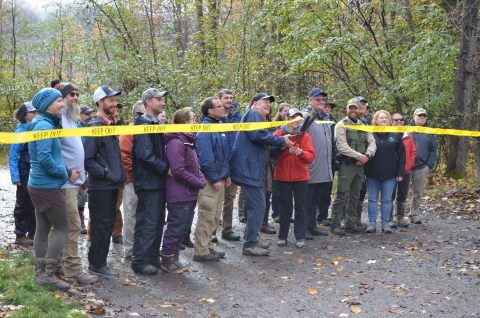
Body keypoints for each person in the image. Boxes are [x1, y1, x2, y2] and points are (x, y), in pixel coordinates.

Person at [230, 93, 294, 256]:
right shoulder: (252, 114)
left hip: (255, 169)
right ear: (255, 104)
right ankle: (250, 244)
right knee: (258, 206)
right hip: (249, 169)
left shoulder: (260, 120)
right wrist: (280, 141)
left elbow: (265, 147)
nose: (268, 104)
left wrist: (281, 146)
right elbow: (257, 136)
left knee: (257, 206)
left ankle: (252, 240)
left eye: (269, 102)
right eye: (264, 101)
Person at [52, 82, 98, 284]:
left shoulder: (71, 118)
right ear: (61, 99)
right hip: (65, 183)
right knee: (72, 227)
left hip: (75, 183)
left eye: (77, 94)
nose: (76, 97)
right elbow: (50, 154)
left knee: (60, 227)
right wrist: (67, 173)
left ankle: (53, 266)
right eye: (71, 94)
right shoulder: (57, 122)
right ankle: (73, 271)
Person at [27, 88, 71, 290]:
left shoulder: (41, 123)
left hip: (38, 184)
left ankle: (41, 272)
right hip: (46, 185)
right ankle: (47, 274)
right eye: (60, 101)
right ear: (47, 105)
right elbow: (44, 158)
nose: (63, 104)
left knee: (43, 228)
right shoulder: (44, 125)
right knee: (63, 228)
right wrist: (64, 174)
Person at [84, 85, 126, 277]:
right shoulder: (95, 127)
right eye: (110, 100)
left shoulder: (110, 125)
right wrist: (107, 173)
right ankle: (97, 265)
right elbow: (87, 160)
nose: (114, 103)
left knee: (108, 224)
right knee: (101, 225)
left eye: (114, 99)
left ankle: (100, 263)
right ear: (100, 103)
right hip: (101, 186)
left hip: (112, 185)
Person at [162, 107, 206, 273]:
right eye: (193, 119)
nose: (195, 122)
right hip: (179, 193)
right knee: (176, 226)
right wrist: (198, 182)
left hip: (189, 192)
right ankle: (166, 259)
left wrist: (200, 178)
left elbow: (195, 166)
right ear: (184, 122)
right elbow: (178, 170)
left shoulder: (188, 141)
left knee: (183, 227)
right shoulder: (176, 142)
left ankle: (175, 258)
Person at [131, 89, 169, 275]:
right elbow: (145, 155)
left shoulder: (155, 123)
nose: (162, 103)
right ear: (147, 102)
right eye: (158, 99)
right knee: (147, 221)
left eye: (163, 99)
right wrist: (166, 168)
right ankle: (140, 260)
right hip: (148, 182)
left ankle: (153, 256)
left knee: (157, 222)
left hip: (158, 181)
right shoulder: (142, 124)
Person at [329, 98, 376, 235]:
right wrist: (359, 156)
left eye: (355, 108)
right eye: (351, 108)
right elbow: (342, 146)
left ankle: (351, 223)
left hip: (361, 164)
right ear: (347, 109)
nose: (353, 110)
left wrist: (366, 156)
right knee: (341, 194)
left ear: (359, 109)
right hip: (347, 163)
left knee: (355, 195)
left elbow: (372, 143)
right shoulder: (341, 125)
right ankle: (335, 224)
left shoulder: (364, 125)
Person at [193, 97, 230, 262]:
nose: (223, 108)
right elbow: (206, 159)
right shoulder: (205, 130)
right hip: (210, 181)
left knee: (215, 217)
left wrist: (226, 174)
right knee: (206, 215)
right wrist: (215, 178)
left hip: (220, 179)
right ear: (210, 111)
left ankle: (208, 246)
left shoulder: (219, 127)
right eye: (219, 106)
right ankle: (200, 251)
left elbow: (223, 155)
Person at [272, 108, 315, 248]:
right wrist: (286, 152)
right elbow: (273, 155)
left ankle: (300, 237)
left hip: (301, 178)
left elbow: (310, 157)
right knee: (285, 208)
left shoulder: (305, 136)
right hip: (282, 177)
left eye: (299, 119)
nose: (296, 121)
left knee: (301, 207)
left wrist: (301, 153)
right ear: (287, 119)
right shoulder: (278, 134)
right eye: (293, 118)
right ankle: (282, 236)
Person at [364, 110, 405, 234]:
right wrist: (364, 172)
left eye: (385, 118)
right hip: (372, 173)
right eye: (381, 118)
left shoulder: (395, 134)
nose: (383, 120)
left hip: (390, 174)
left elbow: (402, 155)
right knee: (372, 199)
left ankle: (385, 223)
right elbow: (364, 153)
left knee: (387, 199)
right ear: (375, 120)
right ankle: (371, 223)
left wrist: (400, 172)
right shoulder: (370, 134)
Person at [301, 88, 335, 239]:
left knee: (315, 199)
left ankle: (312, 226)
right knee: (306, 200)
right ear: (310, 101)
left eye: (323, 100)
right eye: (317, 100)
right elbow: (299, 138)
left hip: (323, 165)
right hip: (309, 166)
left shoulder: (325, 117)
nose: (321, 102)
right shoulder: (306, 116)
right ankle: (303, 229)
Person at [119, 101, 145, 258]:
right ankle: (129, 249)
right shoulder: (129, 131)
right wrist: (133, 175)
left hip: (146, 181)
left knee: (143, 215)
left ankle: (141, 246)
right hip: (132, 180)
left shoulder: (150, 128)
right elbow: (124, 156)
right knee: (131, 215)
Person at [9, 102, 37, 245]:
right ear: (24, 115)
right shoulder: (20, 132)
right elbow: (13, 156)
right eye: (32, 112)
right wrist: (15, 177)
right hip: (24, 171)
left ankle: (33, 232)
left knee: (34, 202)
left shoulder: (35, 129)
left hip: (35, 170)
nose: (35, 113)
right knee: (23, 203)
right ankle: (20, 235)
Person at [216, 89, 241, 242]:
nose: (229, 100)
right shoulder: (214, 117)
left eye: (231, 98)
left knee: (230, 199)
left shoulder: (236, 116)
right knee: (216, 200)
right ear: (219, 99)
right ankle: (212, 230)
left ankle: (227, 229)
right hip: (218, 164)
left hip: (233, 163)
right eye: (226, 98)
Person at [408, 108, 437, 224]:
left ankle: (414, 215)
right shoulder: (406, 129)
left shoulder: (430, 132)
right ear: (414, 116)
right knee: (401, 192)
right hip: (406, 166)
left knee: (418, 193)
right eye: (419, 115)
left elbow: (433, 149)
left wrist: (428, 165)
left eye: (424, 116)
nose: (422, 118)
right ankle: (397, 216)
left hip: (422, 166)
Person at [390, 113, 416, 227]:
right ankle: (389, 219)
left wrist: (409, 165)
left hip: (406, 170)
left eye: (401, 120)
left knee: (402, 194)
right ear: (392, 122)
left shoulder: (408, 135)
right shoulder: (388, 134)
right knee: (390, 195)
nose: (399, 121)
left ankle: (399, 218)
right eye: (396, 120)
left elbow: (413, 152)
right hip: (390, 171)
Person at [316, 99, 337, 226]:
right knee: (315, 188)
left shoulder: (334, 122)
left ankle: (323, 215)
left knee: (326, 189)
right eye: (325, 106)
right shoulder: (315, 120)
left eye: (329, 107)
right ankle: (312, 215)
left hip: (331, 159)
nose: (327, 109)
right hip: (318, 158)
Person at [271, 102, 291, 223]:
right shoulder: (275, 126)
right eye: (285, 111)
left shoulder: (293, 124)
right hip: (275, 160)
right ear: (280, 112)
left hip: (289, 160)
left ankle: (288, 212)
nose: (287, 113)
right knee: (276, 189)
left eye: (289, 111)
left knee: (288, 190)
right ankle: (276, 213)